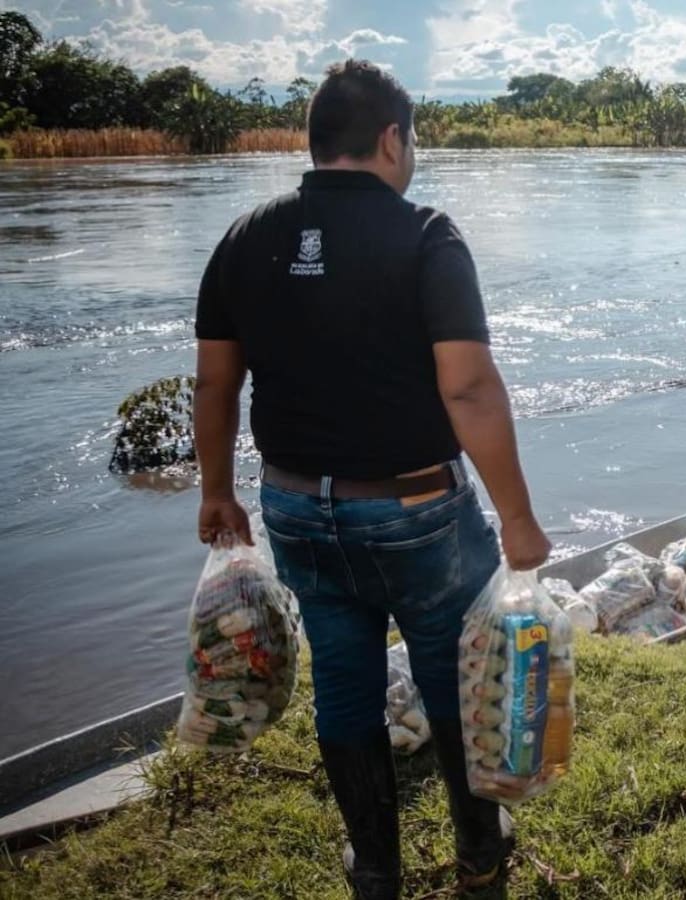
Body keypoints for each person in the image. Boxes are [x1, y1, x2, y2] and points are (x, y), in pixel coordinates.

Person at [192, 58, 550, 899]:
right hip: (417, 509)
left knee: (343, 686)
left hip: (294, 507)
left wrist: (216, 490)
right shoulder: (426, 234)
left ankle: (377, 869)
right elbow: (466, 386)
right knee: (457, 682)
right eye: (412, 137)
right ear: (391, 139)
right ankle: (478, 858)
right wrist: (519, 517)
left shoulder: (246, 236)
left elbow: (215, 383)